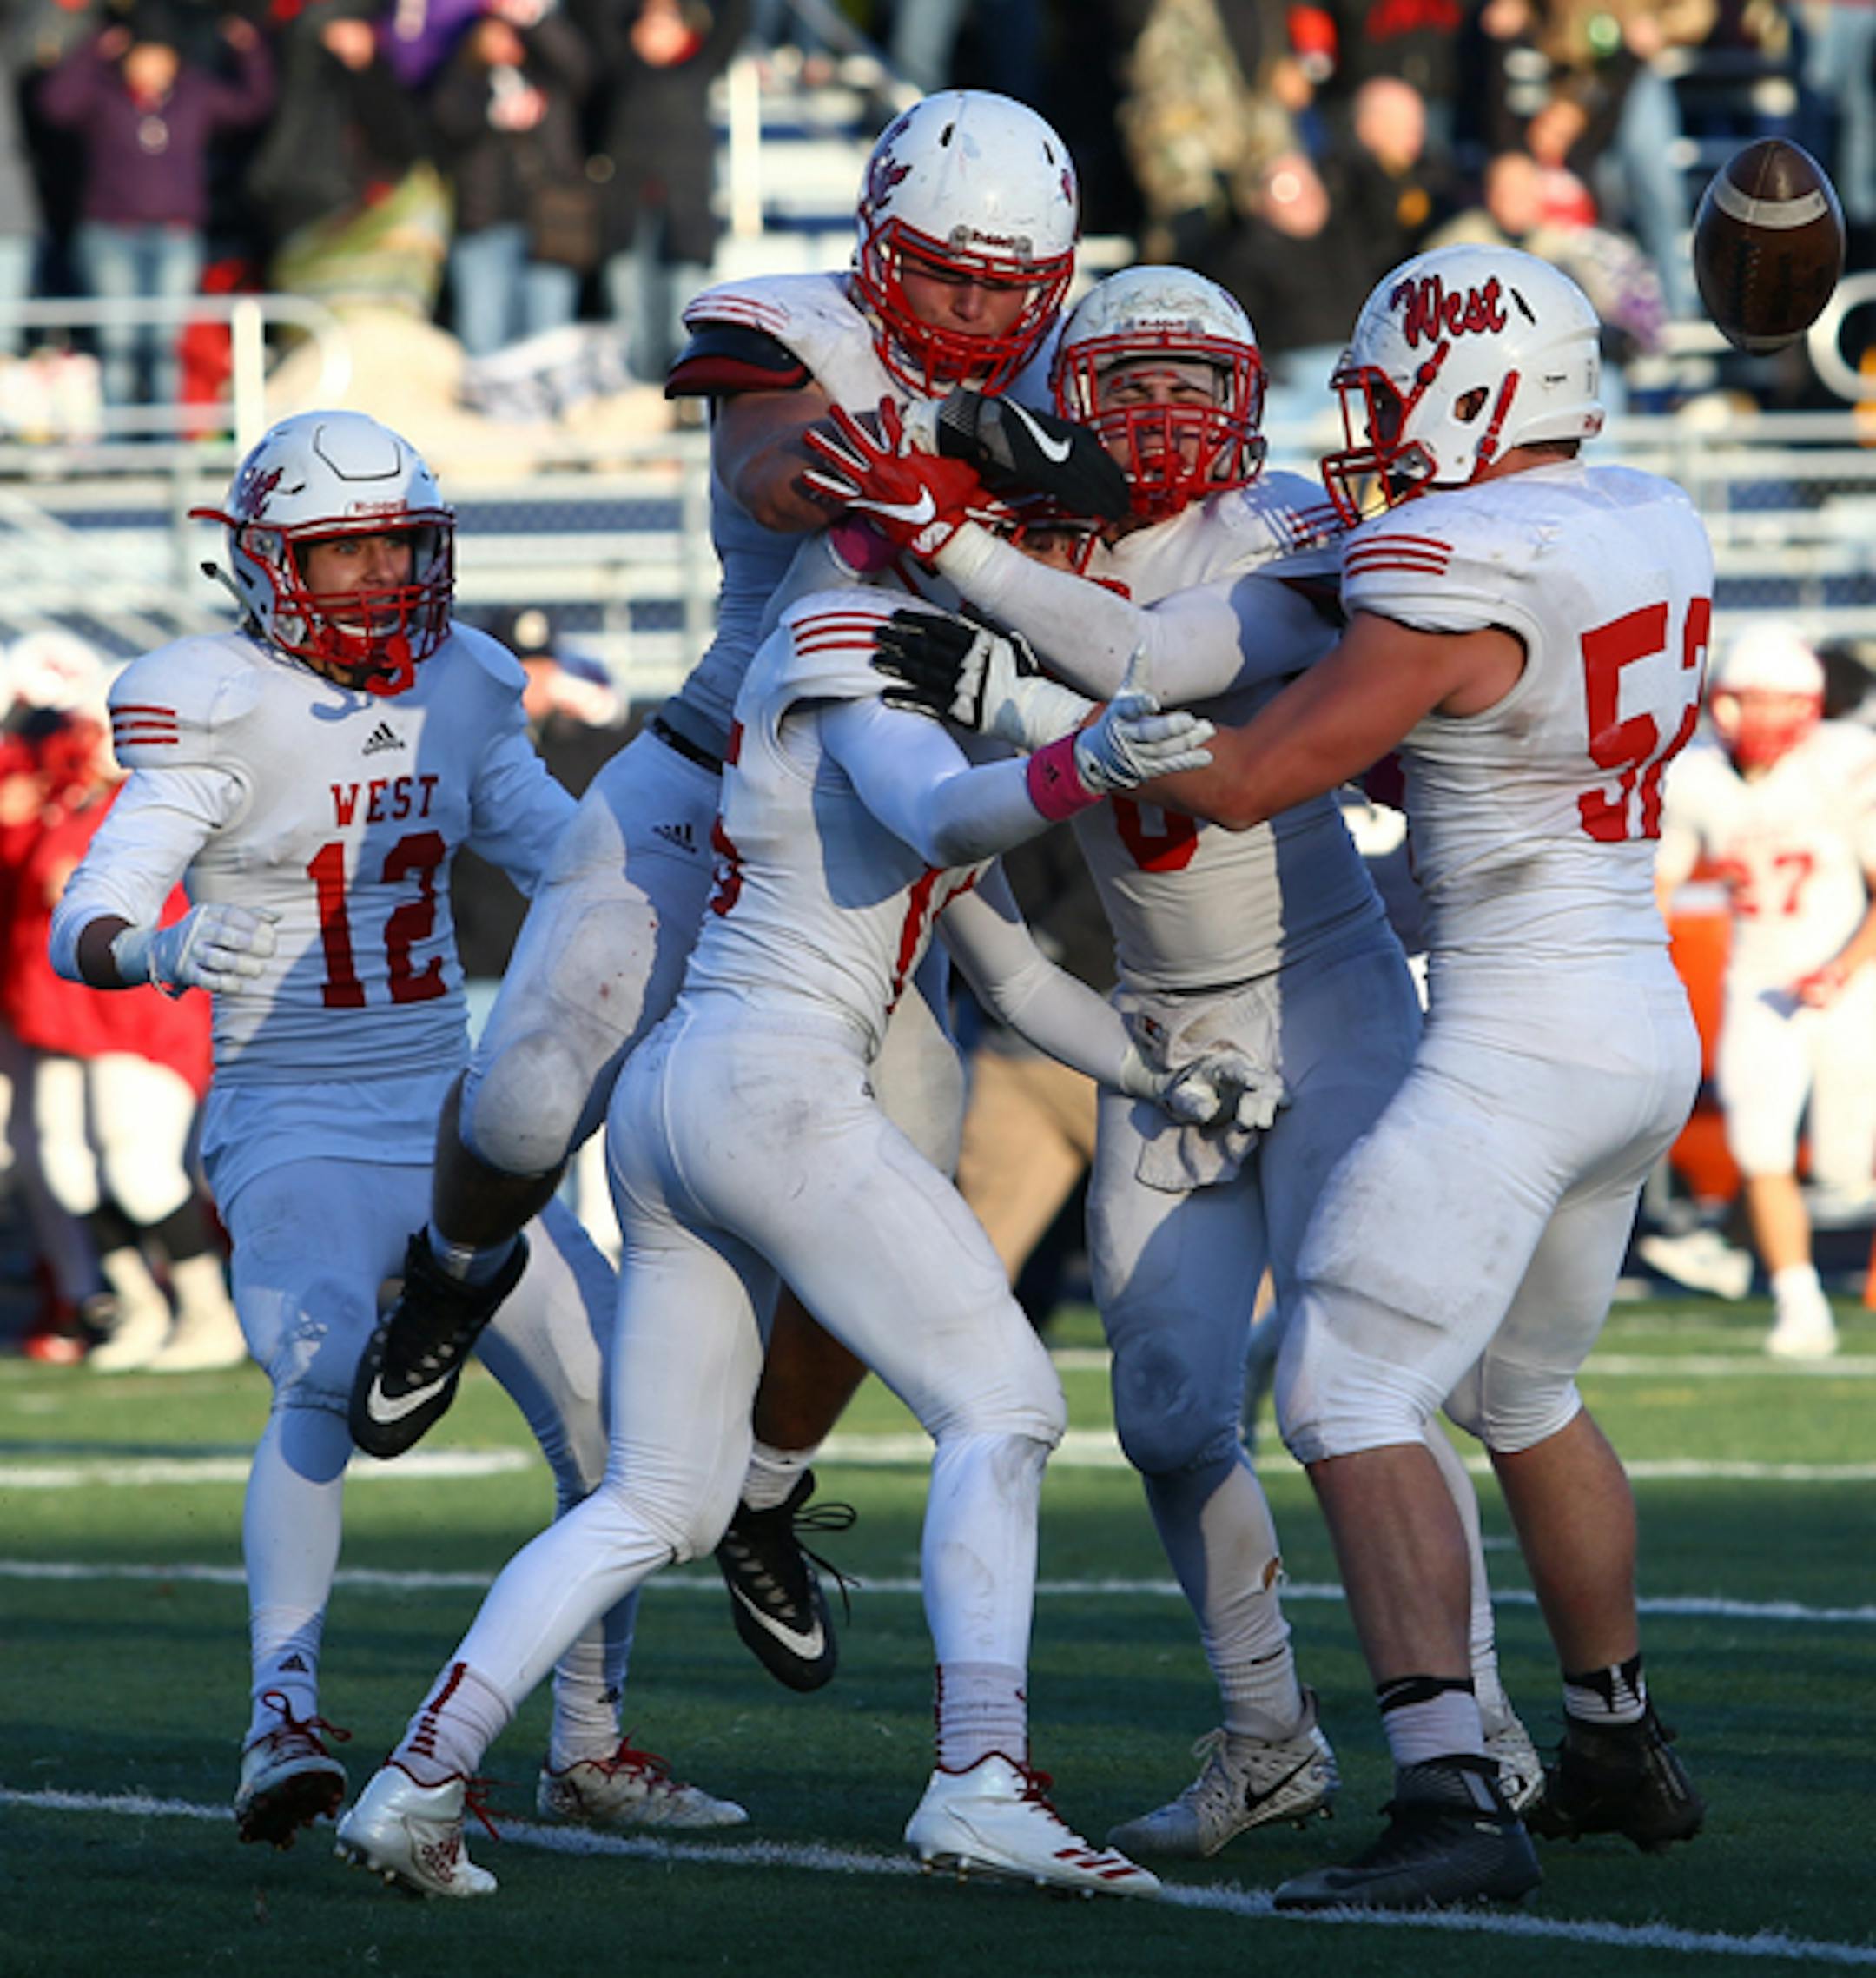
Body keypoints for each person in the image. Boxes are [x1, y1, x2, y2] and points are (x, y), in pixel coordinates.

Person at [347, 91, 1123, 1698]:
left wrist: (1077, 469)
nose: (979, 316)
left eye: (1008, 288)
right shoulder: (798, 328)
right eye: (946, 278)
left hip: (884, 834)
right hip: (712, 773)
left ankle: (767, 1481)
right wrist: (971, 455)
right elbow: (781, 468)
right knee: (528, 1090)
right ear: (877, 246)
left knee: (906, 1171)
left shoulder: (1066, 373)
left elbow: (1134, 499)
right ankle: (454, 1263)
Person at [333, 585, 1227, 1900]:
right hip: (779, 1082)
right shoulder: (844, 636)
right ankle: (982, 1781)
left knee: (654, 1500)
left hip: (690, 1094)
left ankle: (417, 1778)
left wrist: (1166, 1081)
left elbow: (1020, 980)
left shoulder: (903, 701)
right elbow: (935, 808)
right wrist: (1071, 759)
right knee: (1007, 1406)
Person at [836, 262, 1543, 1854]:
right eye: (1127, 384)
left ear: (1247, 407)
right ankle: (1268, 1731)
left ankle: (1475, 1719)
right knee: (1162, 1411)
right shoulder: (1016, 551)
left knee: (1369, 1374)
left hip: (1328, 985)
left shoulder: (1295, 524)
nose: (1160, 416)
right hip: (1153, 1020)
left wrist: (980, 597)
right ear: (1064, 402)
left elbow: (1159, 661)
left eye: (1191, 383)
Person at [1077, 243, 1712, 1909]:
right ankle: (1613, 1737)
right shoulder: (1644, 508)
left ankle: (1448, 1793)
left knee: (1345, 1390)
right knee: (1526, 1395)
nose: (1365, 427)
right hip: (1636, 1014)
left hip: (1521, 1037)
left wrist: (1063, 722)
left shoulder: (1453, 549)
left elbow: (1259, 776)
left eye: (1387, 389)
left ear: (1482, 384)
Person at [49, 410, 739, 1852]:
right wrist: (164, 951)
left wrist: (699, 867)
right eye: (339, 549)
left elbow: (555, 847)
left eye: (395, 547)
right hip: (290, 1115)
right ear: (264, 563)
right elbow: (86, 919)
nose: (373, 579)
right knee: (314, 1388)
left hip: (455, 1125)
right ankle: (280, 1713)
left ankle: (591, 1744)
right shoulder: (210, 700)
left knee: (626, 1419)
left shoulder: (467, 684)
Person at [1655, 623, 1876, 1360]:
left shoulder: (1845, 763)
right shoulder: (1693, 776)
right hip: (1760, 982)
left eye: (1779, 702)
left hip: (1851, 978)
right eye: (1748, 701)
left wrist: (1844, 967)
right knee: (1760, 1145)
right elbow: (1660, 882)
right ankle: (1797, 1297)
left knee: (1848, 1167)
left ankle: (1728, 1243)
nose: (1761, 719)